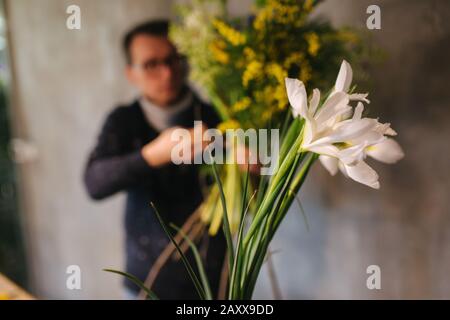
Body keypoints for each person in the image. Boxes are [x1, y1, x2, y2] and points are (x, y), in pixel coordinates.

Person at [83, 19, 226, 299]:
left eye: (174, 60)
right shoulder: (124, 121)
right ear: (131, 73)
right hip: (146, 280)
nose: (167, 73)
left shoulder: (215, 116)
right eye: (151, 65)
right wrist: (152, 155)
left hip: (214, 279)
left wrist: (251, 167)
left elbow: (250, 193)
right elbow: (94, 182)